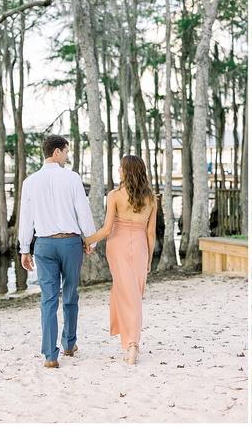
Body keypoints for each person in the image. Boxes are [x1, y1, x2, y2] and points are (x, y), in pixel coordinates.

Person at [18, 134, 97, 369]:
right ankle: (69, 344)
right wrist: (90, 239)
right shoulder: (72, 178)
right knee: (71, 295)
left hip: (43, 245)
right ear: (56, 152)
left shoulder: (30, 181)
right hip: (70, 243)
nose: (67, 155)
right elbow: (83, 211)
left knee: (48, 300)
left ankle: (50, 357)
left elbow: (26, 219)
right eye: (66, 151)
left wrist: (24, 249)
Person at [83, 155, 157, 365]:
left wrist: (87, 241)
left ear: (127, 171)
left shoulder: (115, 195)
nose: (118, 170)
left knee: (127, 294)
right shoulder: (151, 198)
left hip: (118, 245)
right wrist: (149, 258)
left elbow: (107, 230)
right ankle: (132, 341)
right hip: (141, 247)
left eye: (121, 168)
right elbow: (151, 234)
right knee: (132, 294)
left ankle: (132, 344)